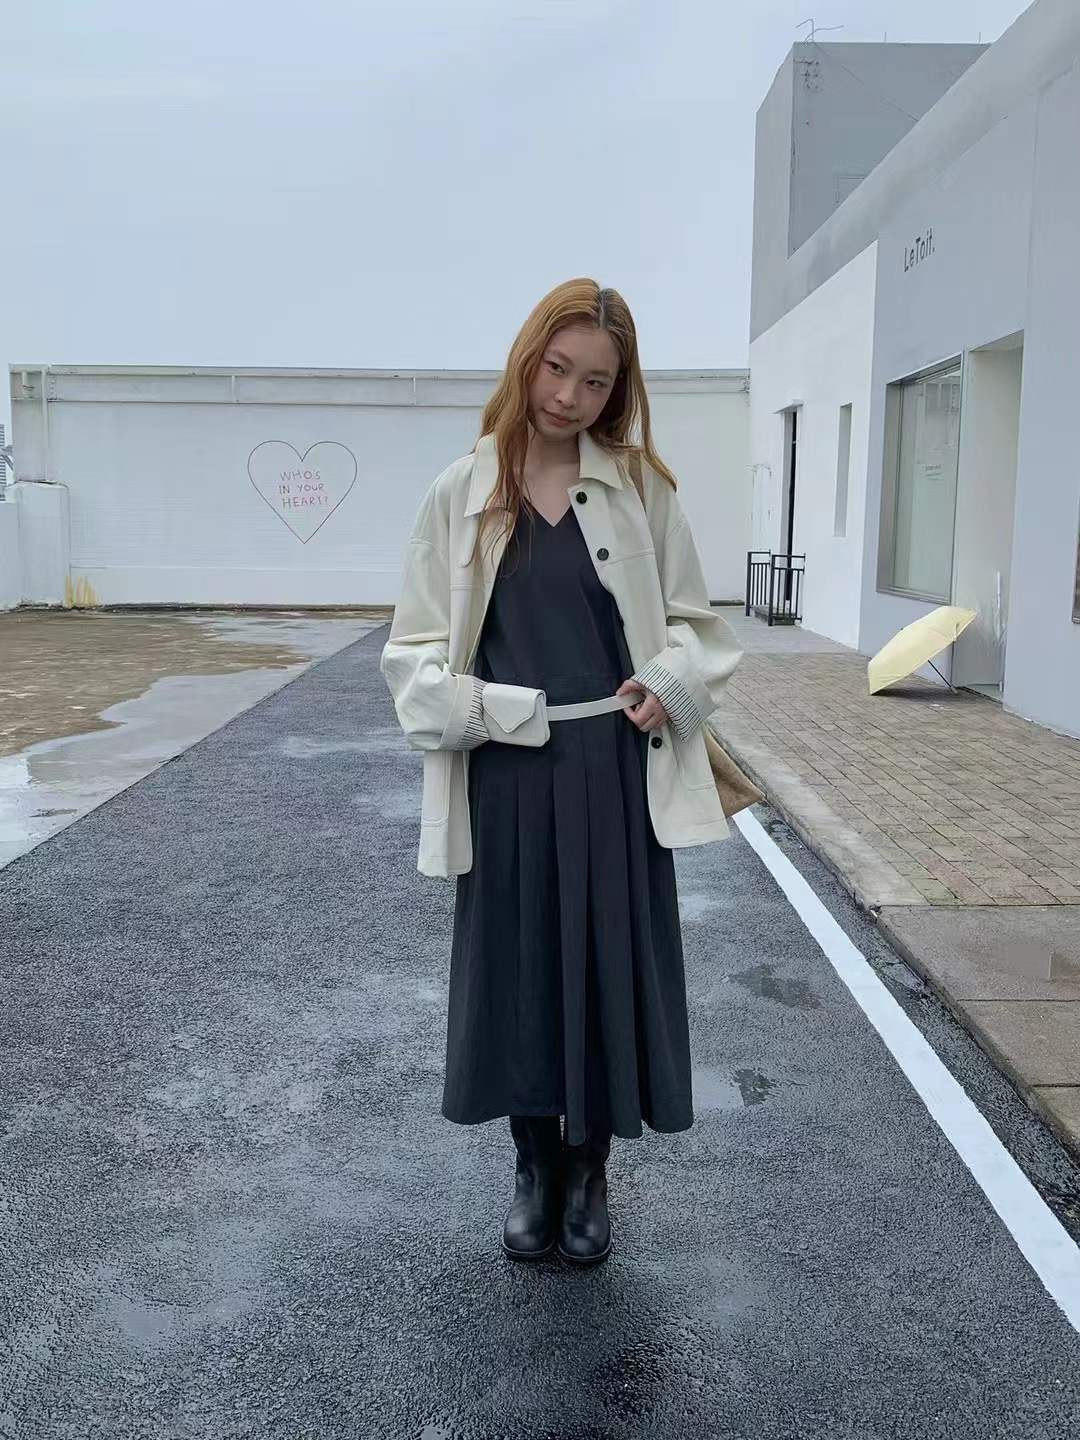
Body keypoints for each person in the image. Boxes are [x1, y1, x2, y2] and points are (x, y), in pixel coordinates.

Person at [380, 278, 744, 1267]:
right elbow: (412, 653)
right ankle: (533, 1166)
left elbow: (700, 629)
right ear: (526, 356)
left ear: (618, 390)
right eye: (557, 368)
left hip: (614, 772)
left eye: (595, 381)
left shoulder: (639, 489)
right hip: (504, 778)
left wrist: (670, 682)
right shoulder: (461, 493)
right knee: (519, 972)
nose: (569, 396)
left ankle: (589, 1172)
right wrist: (483, 711)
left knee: (604, 966)